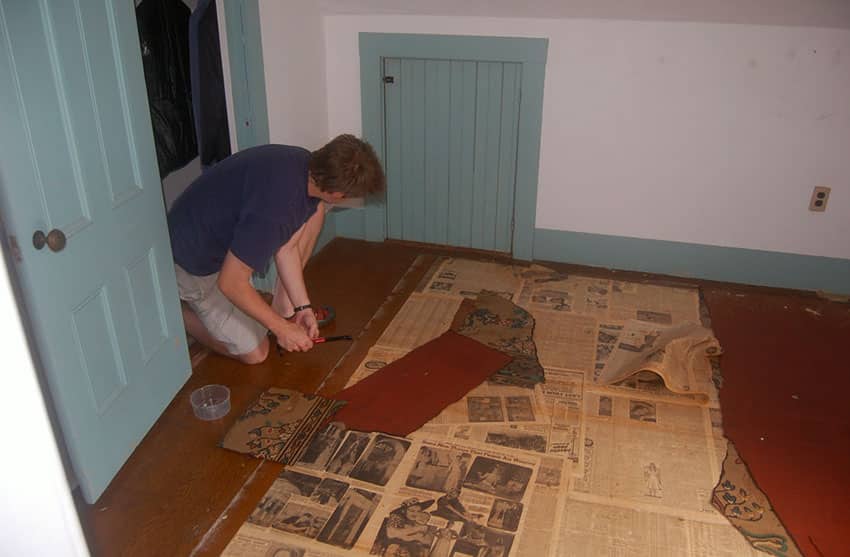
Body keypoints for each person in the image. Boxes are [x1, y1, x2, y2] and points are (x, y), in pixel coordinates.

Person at [167, 135, 385, 363]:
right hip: (191, 262)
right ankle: (172, 312)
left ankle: (255, 309)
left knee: (317, 212)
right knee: (256, 353)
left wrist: (303, 308)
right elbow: (230, 282)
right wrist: (281, 328)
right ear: (338, 194)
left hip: (208, 237)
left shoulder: (304, 166)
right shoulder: (275, 213)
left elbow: (287, 249)